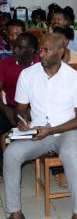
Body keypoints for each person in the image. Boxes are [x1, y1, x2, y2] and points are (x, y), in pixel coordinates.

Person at [4, 33, 77, 219]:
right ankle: (15, 212)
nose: (40, 54)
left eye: (46, 50)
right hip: (38, 130)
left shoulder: (75, 78)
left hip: (68, 130)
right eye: (40, 49)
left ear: (61, 51)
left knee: (69, 154)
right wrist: (22, 121)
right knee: (11, 153)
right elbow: (20, 109)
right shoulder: (27, 75)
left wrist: (52, 130)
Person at [0, 33, 39, 183]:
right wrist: (6, 109)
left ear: (33, 50)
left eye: (21, 47)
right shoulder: (4, 64)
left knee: (55, 122)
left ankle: (57, 168)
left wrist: (30, 111)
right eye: (15, 46)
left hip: (36, 108)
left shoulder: (41, 65)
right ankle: (2, 168)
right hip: (10, 107)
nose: (15, 50)